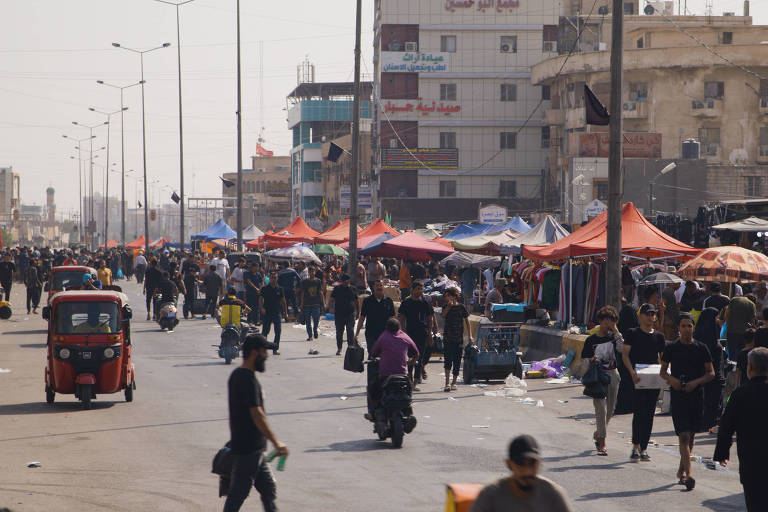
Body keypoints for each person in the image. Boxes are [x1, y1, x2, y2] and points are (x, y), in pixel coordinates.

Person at [223, 334, 288, 512]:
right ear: (254, 353)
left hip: (253, 450)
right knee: (237, 496)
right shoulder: (247, 379)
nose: (266, 355)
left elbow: (234, 415)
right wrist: (277, 443)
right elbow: (257, 414)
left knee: (268, 489)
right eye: (264, 351)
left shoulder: (237, 375)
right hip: (248, 451)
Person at [659, 313, 715, 490]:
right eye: (683, 326)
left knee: (690, 438)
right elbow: (662, 371)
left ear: (694, 328)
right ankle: (688, 475)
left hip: (696, 396)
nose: (686, 329)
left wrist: (695, 383)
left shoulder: (701, 348)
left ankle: (681, 469)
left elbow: (711, 373)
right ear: (678, 328)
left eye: (689, 326)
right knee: (683, 435)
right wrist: (673, 380)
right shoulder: (672, 348)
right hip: (679, 396)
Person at [713, 346, 768, 512]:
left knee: (755, 502)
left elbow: (726, 426)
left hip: (751, 459)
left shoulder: (739, 394)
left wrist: (721, 453)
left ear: (750, 368)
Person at [469, 435, 573, 512]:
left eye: (532, 463)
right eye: (520, 463)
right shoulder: (490, 495)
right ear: (509, 464)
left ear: (539, 463)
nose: (527, 471)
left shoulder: (552, 494)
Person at [622, 303, 666, 462]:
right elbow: (625, 355)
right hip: (638, 378)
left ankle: (644, 448)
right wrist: (632, 372)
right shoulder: (633, 333)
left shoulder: (659, 336)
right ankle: (635, 446)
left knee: (649, 415)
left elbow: (664, 358)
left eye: (652, 314)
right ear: (640, 316)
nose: (650, 317)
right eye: (647, 314)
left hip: (653, 379)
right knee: (639, 413)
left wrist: (665, 374)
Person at [580, 305, 622, 456]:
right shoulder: (591, 340)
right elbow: (583, 359)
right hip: (597, 376)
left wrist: (616, 331)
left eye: (611, 321)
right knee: (600, 409)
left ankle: (598, 433)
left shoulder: (614, 337)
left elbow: (623, 349)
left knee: (610, 410)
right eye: (606, 321)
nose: (608, 324)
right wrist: (591, 360)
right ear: (600, 321)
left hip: (612, 375)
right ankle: (602, 441)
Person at [366, 317, 420, 421]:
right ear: (399, 328)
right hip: (403, 376)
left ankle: (371, 413)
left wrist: (377, 358)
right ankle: (409, 407)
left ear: (387, 328)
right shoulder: (405, 336)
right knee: (409, 388)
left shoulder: (383, 337)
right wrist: (411, 362)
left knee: (371, 389)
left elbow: (373, 353)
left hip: (386, 376)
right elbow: (417, 353)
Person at [398, 280, 436, 388]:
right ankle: (409, 376)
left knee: (419, 356)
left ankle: (415, 379)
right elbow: (401, 317)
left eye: (421, 288)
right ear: (412, 289)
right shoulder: (406, 302)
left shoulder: (425, 302)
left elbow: (430, 318)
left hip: (422, 333)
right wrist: (403, 332)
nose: (420, 291)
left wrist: (430, 333)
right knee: (410, 356)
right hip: (410, 333)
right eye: (418, 289)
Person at [694, 307, 726, 432]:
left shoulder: (697, 337)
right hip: (713, 376)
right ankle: (709, 423)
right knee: (712, 402)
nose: (718, 320)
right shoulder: (713, 339)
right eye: (716, 317)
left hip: (699, 376)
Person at [441, 288, 472, 392]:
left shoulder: (461, 307)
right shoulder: (446, 306)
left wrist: (470, 336)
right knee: (447, 360)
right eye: (446, 296)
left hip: (458, 338)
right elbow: (443, 315)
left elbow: (467, 322)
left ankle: (454, 382)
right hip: (447, 338)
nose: (447, 298)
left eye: (448, 296)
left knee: (457, 361)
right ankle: (447, 383)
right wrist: (449, 307)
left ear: (454, 296)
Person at [355, 280, 396, 354]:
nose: (379, 287)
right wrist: (357, 334)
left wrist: (393, 333)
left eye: (381, 285)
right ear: (373, 287)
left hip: (385, 334)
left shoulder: (388, 301)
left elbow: (392, 319)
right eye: (377, 285)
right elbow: (362, 318)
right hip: (371, 334)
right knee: (372, 356)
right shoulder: (367, 301)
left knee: (384, 356)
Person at [329, 274, 358, 356]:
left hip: (350, 313)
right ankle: (339, 348)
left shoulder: (352, 289)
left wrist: (358, 312)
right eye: (344, 281)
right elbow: (331, 299)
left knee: (350, 331)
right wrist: (330, 308)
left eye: (347, 281)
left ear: (349, 281)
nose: (346, 283)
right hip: (339, 314)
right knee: (339, 332)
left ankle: (350, 347)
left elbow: (356, 301)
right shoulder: (337, 289)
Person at [260, 271, 287, 356]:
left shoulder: (280, 289)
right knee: (265, 332)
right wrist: (261, 308)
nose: (273, 279)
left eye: (275, 277)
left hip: (277, 312)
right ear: (269, 278)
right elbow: (260, 299)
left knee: (278, 331)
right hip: (267, 312)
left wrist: (285, 313)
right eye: (272, 278)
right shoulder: (264, 288)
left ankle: (275, 349)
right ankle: (263, 349)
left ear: (277, 278)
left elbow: (283, 301)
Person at [299, 266, 324, 343]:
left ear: (314, 272)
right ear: (308, 273)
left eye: (313, 271)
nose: (312, 273)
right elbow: (302, 293)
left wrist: (323, 303)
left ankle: (315, 329)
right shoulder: (305, 282)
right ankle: (310, 336)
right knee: (308, 321)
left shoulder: (318, 281)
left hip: (316, 303)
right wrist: (301, 304)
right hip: (307, 304)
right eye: (310, 271)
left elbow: (320, 292)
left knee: (316, 319)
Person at [181, 253, 200, 319]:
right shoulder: (185, 263)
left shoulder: (195, 265)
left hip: (192, 285)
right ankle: (186, 314)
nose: (191, 259)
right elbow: (182, 271)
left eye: (192, 258)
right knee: (187, 300)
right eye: (190, 258)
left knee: (192, 301)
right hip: (187, 284)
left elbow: (198, 272)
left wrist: (197, 276)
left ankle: (192, 314)